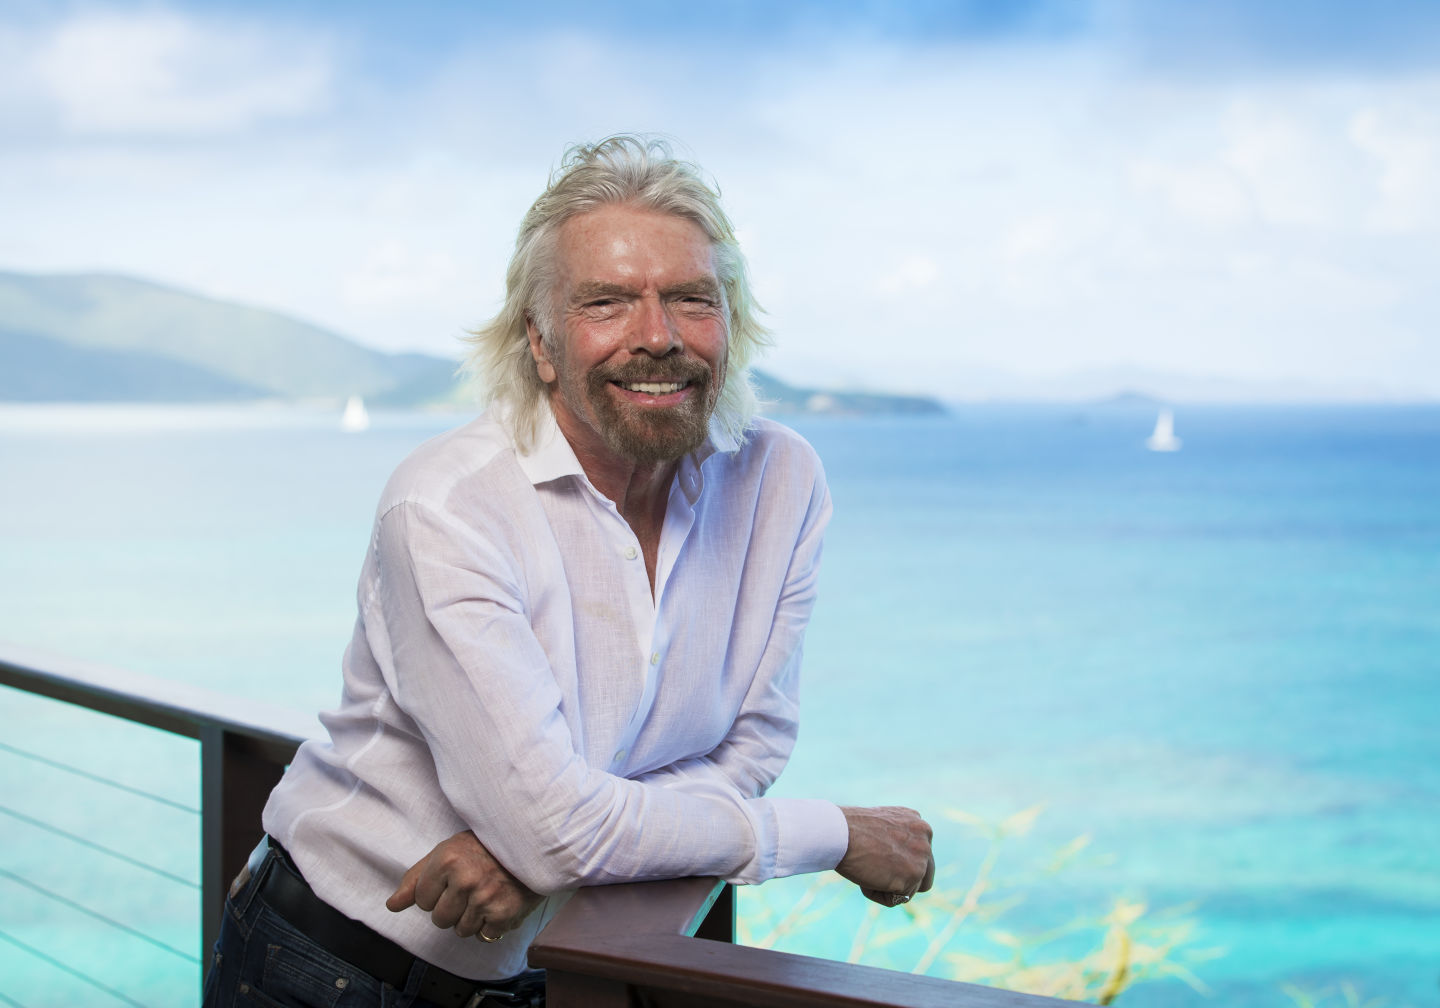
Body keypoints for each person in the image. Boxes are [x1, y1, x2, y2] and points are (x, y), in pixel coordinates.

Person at [203, 135, 934, 1008]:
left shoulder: (783, 481)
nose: (657, 336)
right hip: (330, 969)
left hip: (551, 977)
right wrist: (834, 834)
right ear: (541, 342)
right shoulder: (447, 506)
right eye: (608, 303)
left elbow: (751, 747)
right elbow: (556, 832)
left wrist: (541, 853)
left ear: (731, 324)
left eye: (693, 300)